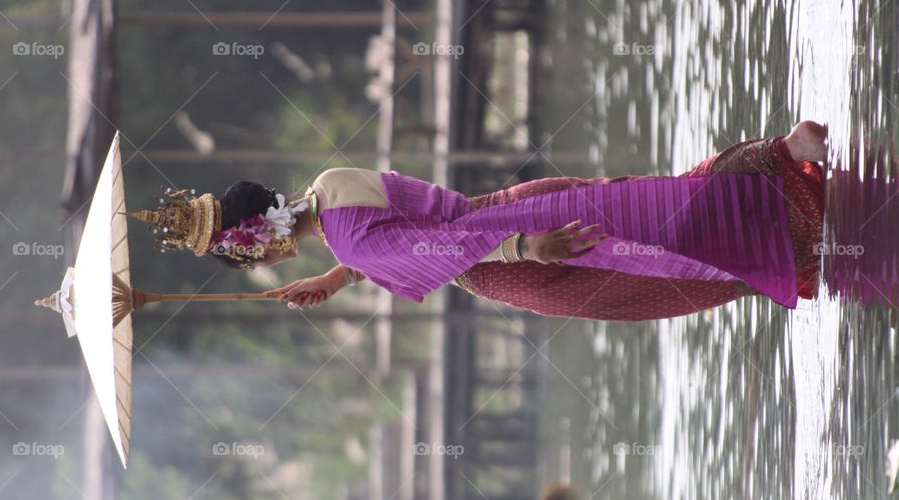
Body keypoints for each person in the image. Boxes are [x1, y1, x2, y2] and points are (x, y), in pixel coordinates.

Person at [128, 122, 826, 321]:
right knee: (658, 206)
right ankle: (777, 161)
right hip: (517, 206)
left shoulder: (351, 242)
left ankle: (800, 233)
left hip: (516, 255)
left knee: (661, 266)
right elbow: (395, 233)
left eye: (248, 261)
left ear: (259, 242)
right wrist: (343, 277)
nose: (261, 270)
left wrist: (530, 247)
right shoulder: (329, 188)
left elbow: (442, 247)